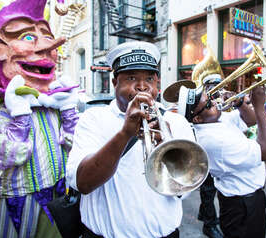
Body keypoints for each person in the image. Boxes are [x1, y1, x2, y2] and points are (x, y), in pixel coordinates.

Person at [0, 0, 79, 237]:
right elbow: (6, 157)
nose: (47, 47)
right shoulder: (3, 113)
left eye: (46, 36)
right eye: (27, 38)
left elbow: (76, 148)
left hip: (59, 199)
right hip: (21, 204)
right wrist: (20, 117)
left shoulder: (54, 108)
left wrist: (68, 113)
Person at [66, 41, 196, 238]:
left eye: (150, 79)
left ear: (157, 84)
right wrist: (125, 134)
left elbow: (184, 188)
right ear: (114, 83)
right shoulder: (93, 119)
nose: (142, 87)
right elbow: (83, 183)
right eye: (131, 78)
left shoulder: (176, 122)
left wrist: (165, 147)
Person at [177, 84, 266, 238]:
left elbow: (251, 120)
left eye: (210, 98)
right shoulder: (215, 140)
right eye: (209, 104)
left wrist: (240, 104)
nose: (215, 102)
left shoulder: (214, 120)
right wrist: (260, 106)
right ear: (197, 118)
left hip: (245, 199)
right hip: (242, 205)